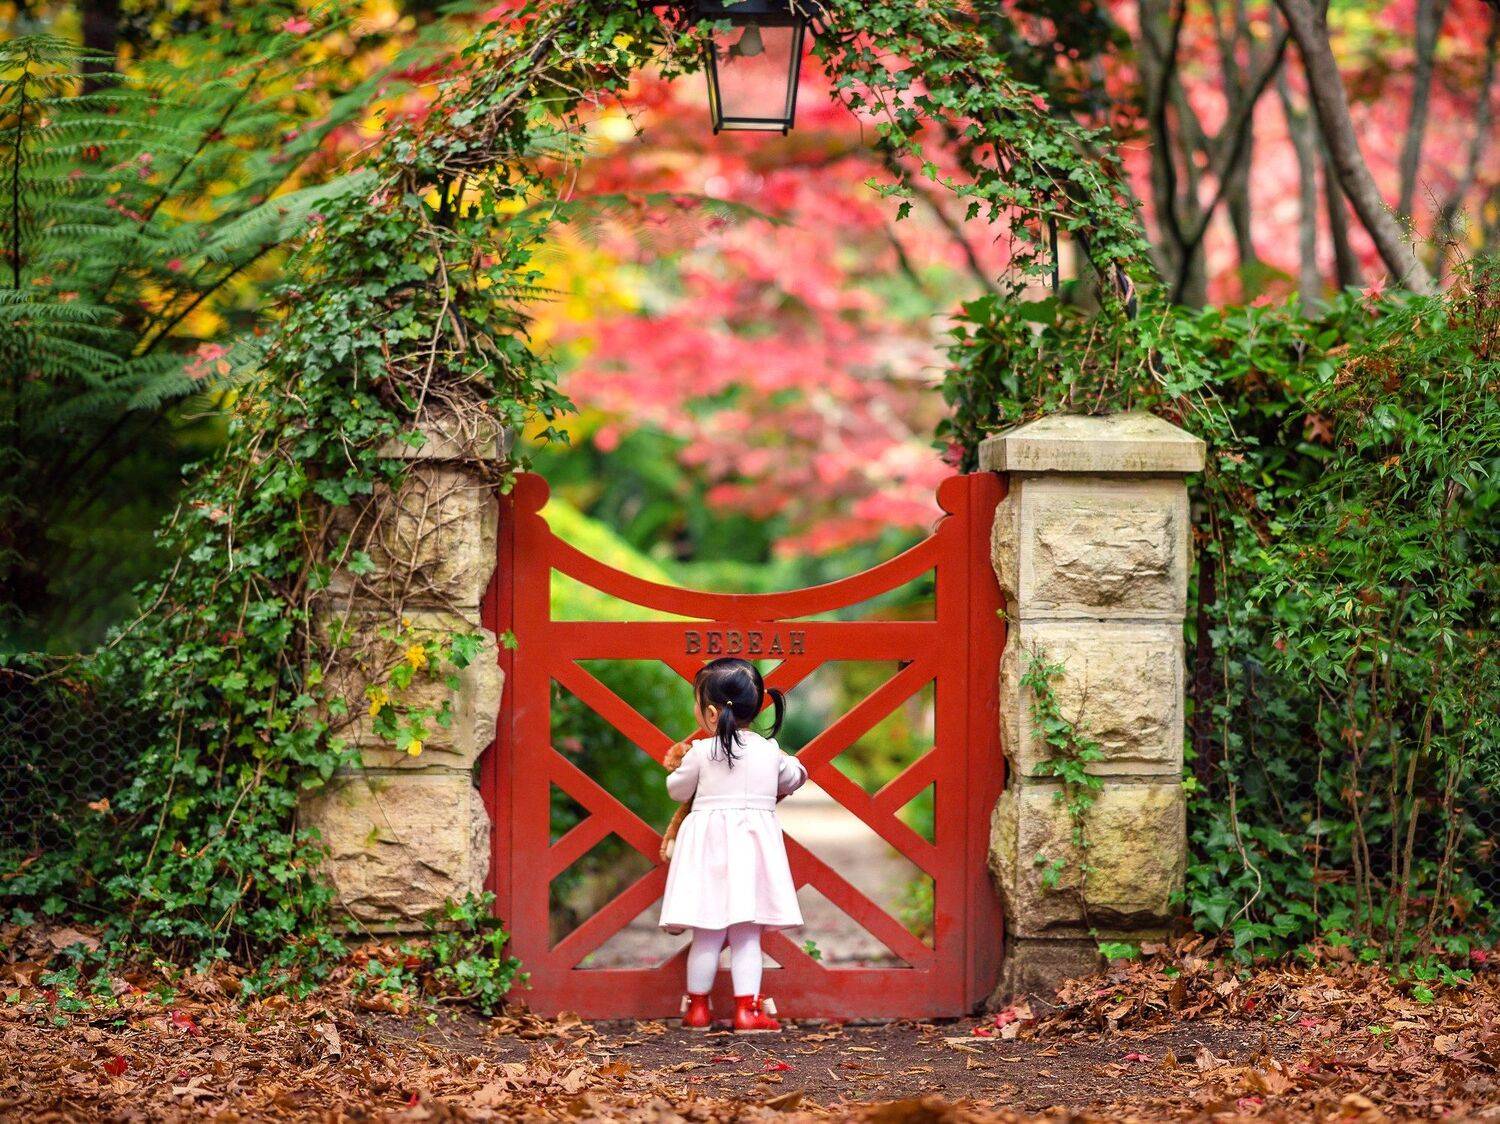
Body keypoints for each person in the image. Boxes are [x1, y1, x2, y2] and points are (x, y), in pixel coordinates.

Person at [658, 657, 807, 1033]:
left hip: (707, 852)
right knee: (746, 937)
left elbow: (677, 790)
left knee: (705, 936)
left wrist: (681, 766)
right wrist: (787, 767)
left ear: (709, 713)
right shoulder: (768, 751)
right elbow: (794, 778)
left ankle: (697, 1009)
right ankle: (747, 1011)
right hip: (752, 852)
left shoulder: (700, 753)